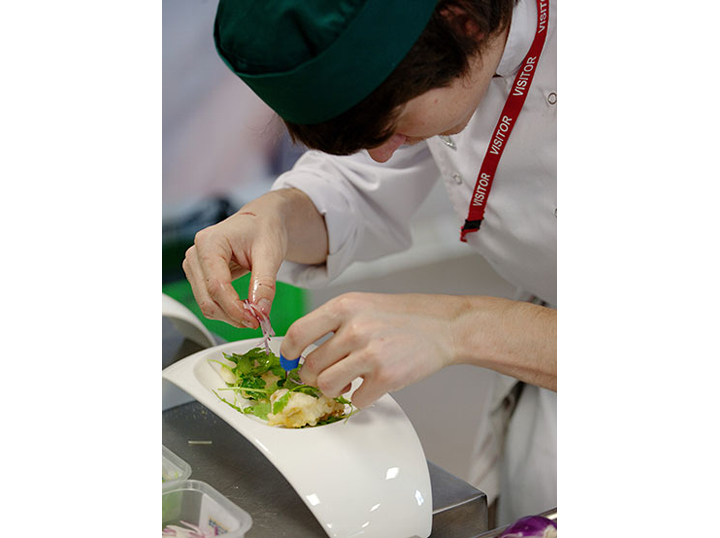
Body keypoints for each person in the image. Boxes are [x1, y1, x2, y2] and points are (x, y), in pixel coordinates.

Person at [182, 0, 556, 525]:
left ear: (461, 20)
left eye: (398, 125)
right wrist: (279, 216)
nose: (383, 152)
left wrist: (462, 325)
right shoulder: (427, 49)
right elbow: (364, 178)